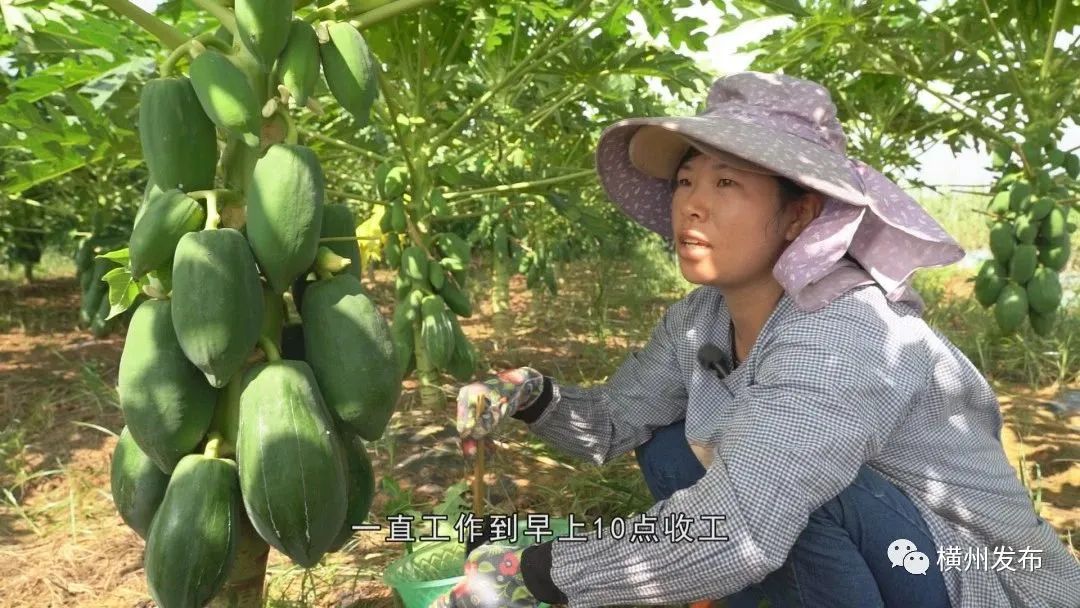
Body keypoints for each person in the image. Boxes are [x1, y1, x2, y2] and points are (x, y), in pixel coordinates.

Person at [431, 72, 1080, 608]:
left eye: (727, 183)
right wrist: (529, 395)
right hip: (868, 555)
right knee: (667, 445)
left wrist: (533, 574)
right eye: (686, 180)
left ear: (801, 214)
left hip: (977, 583)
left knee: (801, 492)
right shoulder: (700, 319)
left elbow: (740, 529)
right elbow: (612, 424)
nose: (692, 204)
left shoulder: (847, 333)